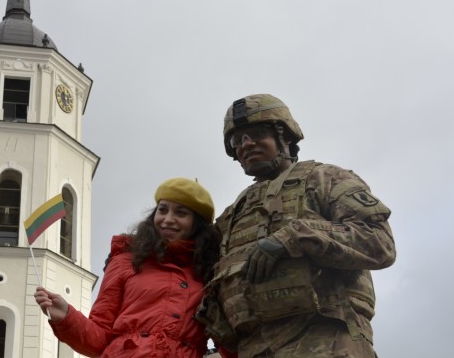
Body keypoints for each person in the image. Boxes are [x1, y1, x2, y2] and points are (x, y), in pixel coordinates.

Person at [199, 94, 396, 358]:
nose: (247, 144)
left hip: (326, 340)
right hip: (252, 348)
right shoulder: (232, 215)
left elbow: (379, 244)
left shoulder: (324, 178)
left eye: (257, 133)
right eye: (238, 140)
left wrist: (294, 237)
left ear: (286, 137)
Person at [34, 177, 221, 357]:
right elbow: (98, 339)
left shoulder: (212, 271)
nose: (168, 219)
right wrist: (66, 317)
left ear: (197, 224)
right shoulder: (125, 261)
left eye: (181, 213)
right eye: (162, 210)